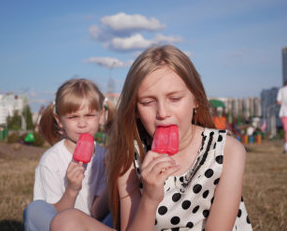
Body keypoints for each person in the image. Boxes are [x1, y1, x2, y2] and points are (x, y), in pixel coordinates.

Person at [51, 45, 252, 231]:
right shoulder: (128, 154)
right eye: (148, 102)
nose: (162, 112)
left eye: (174, 99)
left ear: (196, 99)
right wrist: (149, 197)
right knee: (65, 221)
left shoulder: (228, 151)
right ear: (135, 110)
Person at [23, 79, 115, 231]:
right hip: (61, 225)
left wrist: (113, 176)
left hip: (95, 225)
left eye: (89, 115)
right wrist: (72, 189)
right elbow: (55, 217)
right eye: (73, 117)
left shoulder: (104, 157)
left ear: (101, 116)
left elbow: (97, 213)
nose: (82, 124)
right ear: (59, 120)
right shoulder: (51, 160)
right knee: (34, 210)